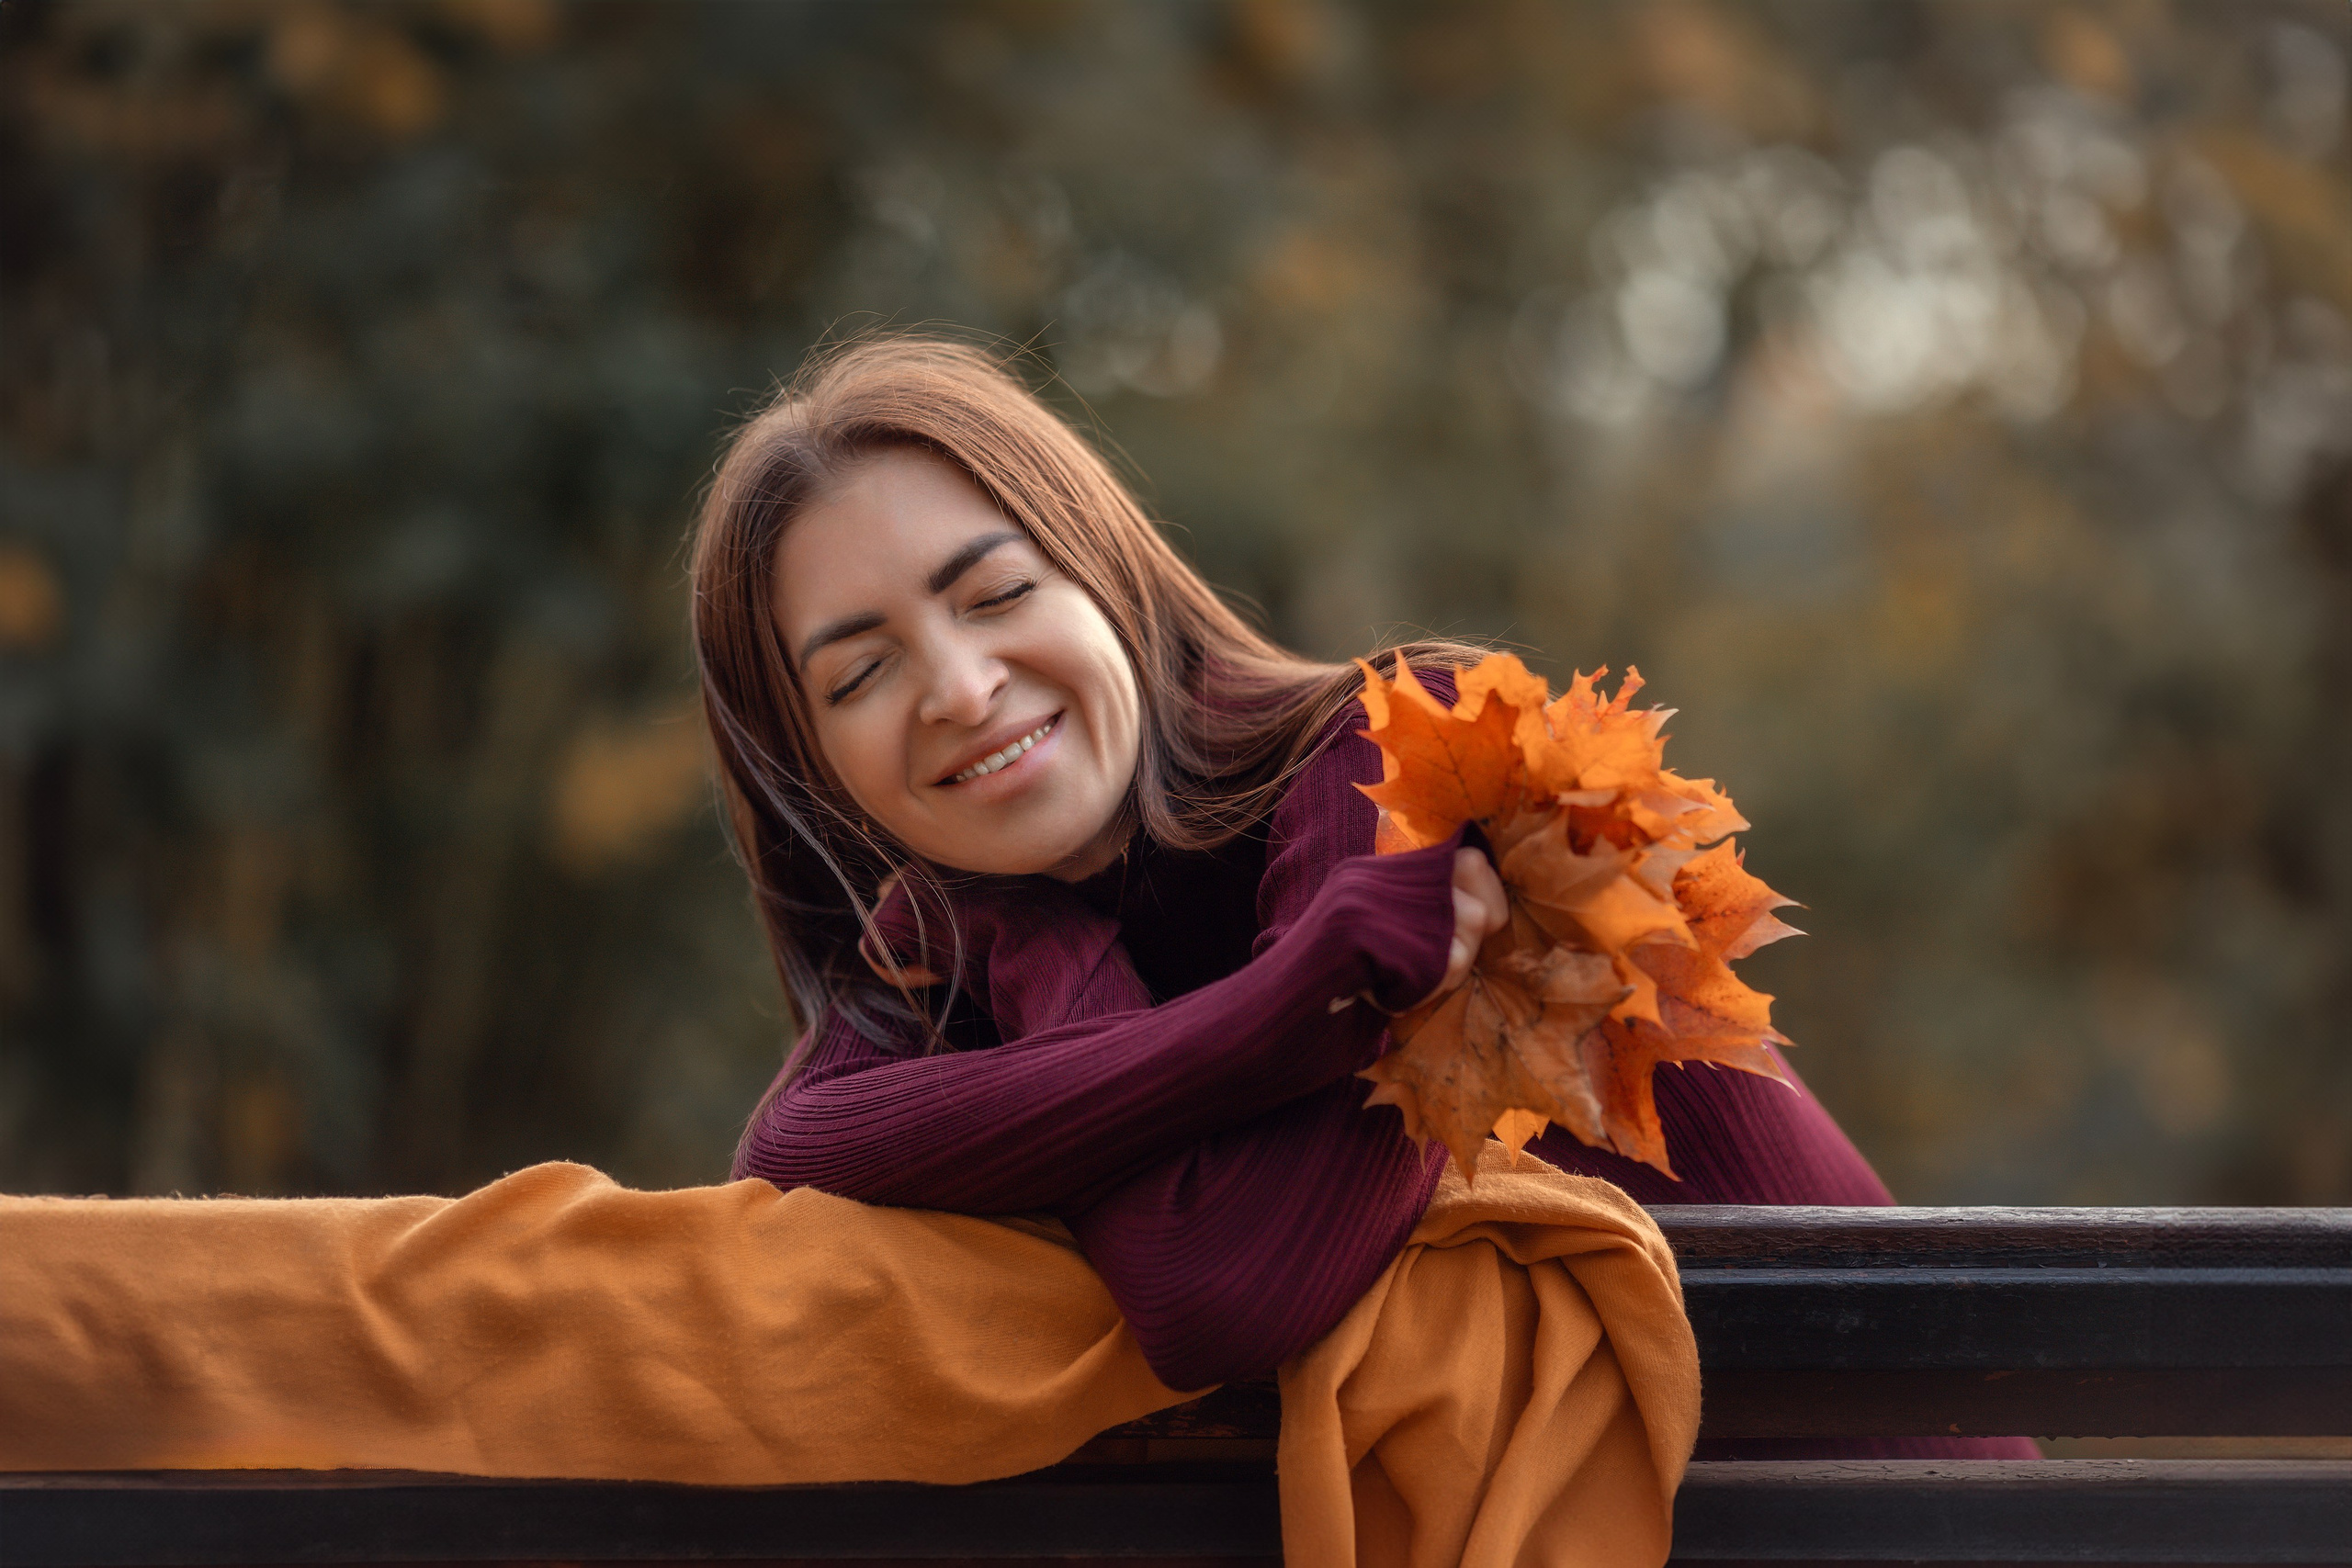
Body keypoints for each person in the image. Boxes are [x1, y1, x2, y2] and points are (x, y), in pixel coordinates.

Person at [692, 334, 2028, 1459]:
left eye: (995, 593)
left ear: (1104, 569)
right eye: (859, 676)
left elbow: (1222, 1287)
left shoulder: (1403, 761)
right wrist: (1208, 987)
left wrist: (1087, 984)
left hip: (1904, 1519)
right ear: (808, 765)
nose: (961, 687)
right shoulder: (965, 938)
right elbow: (799, 1149)